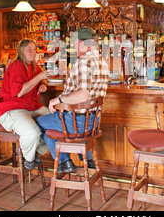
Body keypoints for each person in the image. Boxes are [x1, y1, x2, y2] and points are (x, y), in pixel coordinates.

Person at [36, 27, 109, 173]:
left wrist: (58, 99)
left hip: (75, 121)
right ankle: (88, 159)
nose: (74, 47)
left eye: (75, 43)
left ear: (82, 43)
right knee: (50, 126)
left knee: (37, 125)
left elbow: (83, 94)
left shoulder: (84, 62)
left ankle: (64, 162)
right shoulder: (102, 61)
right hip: (91, 122)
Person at [0, 39, 52, 169]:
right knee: (33, 133)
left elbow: (42, 75)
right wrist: (39, 78)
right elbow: (20, 92)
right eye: (29, 49)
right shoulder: (16, 66)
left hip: (31, 106)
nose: (33, 52)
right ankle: (28, 159)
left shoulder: (33, 65)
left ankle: (27, 150)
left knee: (55, 123)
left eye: (34, 49)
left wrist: (43, 83)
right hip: (12, 108)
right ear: (22, 51)